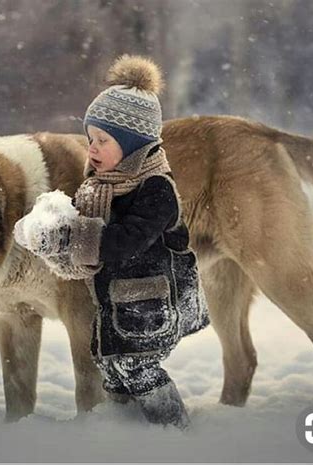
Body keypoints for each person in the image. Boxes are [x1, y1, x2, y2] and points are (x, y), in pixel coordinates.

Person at [14, 55, 209, 430]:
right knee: (111, 366)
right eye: (90, 139)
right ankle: (125, 432)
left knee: (137, 366)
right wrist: (49, 229)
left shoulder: (156, 189)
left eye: (103, 140)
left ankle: (173, 428)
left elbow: (124, 241)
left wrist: (73, 237)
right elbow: (83, 227)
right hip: (117, 303)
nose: (92, 148)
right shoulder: (100, 187)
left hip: (153, 304)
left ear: (134, 144)